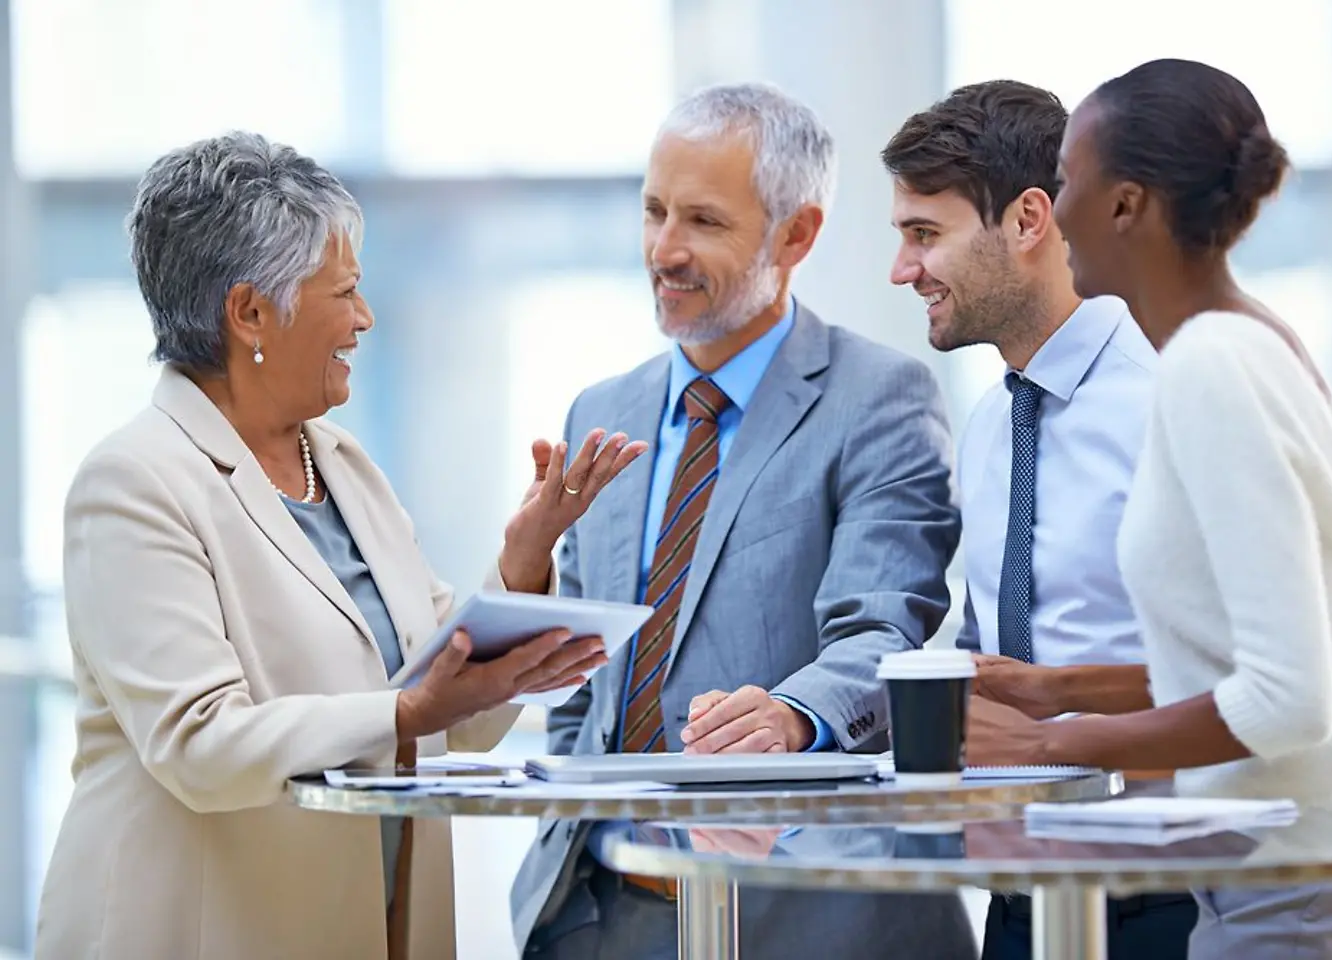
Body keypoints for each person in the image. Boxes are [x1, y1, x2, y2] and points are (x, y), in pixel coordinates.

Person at [33, 132, 646, 960]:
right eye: (346, 292)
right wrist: (403, 713)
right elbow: (200, 743)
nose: (364, 318)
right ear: (249, 312)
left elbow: (453, 707)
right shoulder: (133, 482)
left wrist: (525, 562)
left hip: (377, 923)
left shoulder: (343, 462)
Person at [967, 57, 1332, 957]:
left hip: (1295, 861)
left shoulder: (1209, 366)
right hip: (1306, 847)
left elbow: (1289, 700)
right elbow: (1280, 644)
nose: (1053, 208)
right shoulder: (1250, 338)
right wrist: (1053, 688)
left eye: (1068, 180)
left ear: (1127, 204)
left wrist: (1053, 744)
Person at [511, 82, 970, 960]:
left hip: (804, 912)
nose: (664, 249)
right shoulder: (599, 413)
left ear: (796, 234)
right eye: (653, 212)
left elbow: (887, 633)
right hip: (598, 910)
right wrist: (521, 580)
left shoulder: (879, 399)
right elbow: (579, 684)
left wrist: (795, 714)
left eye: (704, 222)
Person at [883, 80, 1196, 959]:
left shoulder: (1173, 401)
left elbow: (1254, 681)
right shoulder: (989, 426)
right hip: (1019, 908)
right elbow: (990, 661)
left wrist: (1055, 737)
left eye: (924, 235)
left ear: (1027, 221)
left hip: (1172, 907)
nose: (902, 271)